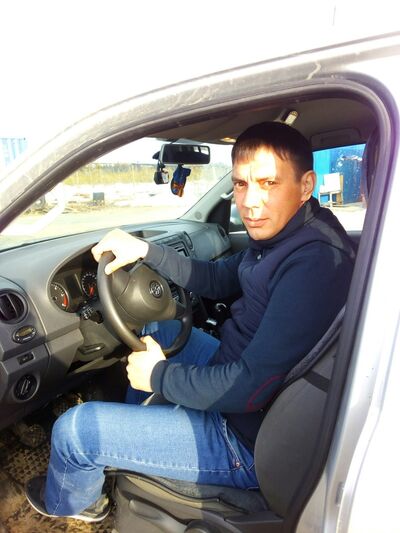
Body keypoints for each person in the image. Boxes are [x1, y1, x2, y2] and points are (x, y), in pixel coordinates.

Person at [25, 121, 355, 522]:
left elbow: (248, 389)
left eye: (269, 183)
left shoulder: (313, 263)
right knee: (161, 327)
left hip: (246, 438)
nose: (251, 202)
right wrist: (145, 250)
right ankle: (140, 437)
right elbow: (217, 278)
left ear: (306, 186)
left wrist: (160, 376)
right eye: (241, 184)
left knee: (74, 433)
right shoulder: (286, 237)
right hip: (244, 382)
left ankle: (78, 504)